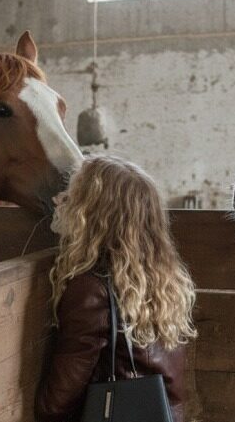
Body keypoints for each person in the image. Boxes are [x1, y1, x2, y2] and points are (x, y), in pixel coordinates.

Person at [36, 155, 197, 422]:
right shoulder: (161, 280)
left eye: (73, 197)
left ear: (93, 215)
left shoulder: (91, 290)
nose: (58, 200)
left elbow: (54, 404)